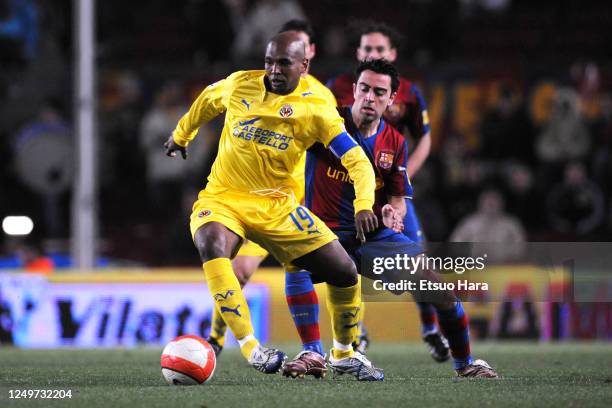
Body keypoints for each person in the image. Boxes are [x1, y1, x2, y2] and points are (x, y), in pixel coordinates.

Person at [164, 31, 384, 380]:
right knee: (211, 243)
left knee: (345, 272)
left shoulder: (317, 107)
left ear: (304, 65)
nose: (274, 70)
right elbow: (207, 99)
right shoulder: (241, 85)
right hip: (224, 198)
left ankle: (343, 353)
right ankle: (251, 347)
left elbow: (357, 160)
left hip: (280, 207)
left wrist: (363, 204)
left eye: (283, 63)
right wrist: (181, 135)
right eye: (269, 61)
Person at [282, 59, 498, 379]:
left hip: (374, 238)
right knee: (295, 259)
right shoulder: (326, 123)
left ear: (391, 99)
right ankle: (312, 353)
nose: (370, 97)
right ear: (354, 91)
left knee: (441, 292)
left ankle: (466, 363)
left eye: (379, 92)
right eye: (365, 89)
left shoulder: (395, 142)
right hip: (326, 235)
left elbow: (397, 199)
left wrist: (391, 212)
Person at [206, 18, 337, 356]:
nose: (278, 66)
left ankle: (331, 345)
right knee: (239, 270)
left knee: (320, 268)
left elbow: (329, 154)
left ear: (307, 56)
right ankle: (217, 338)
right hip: (243, 200)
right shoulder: (252, 87)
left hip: (286, 203)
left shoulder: (322, 99)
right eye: (274, 58)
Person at [327, 20, 447, 360]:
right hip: (344, 194)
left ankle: (431, 328)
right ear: (358, 53)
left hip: (391, 194)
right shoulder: (334, 87)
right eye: (367, 49)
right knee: (344, 262)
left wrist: (404, 181)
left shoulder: (408, 92)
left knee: (416, 259)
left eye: (380, 49)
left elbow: (424, 137)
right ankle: (356, 335)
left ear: (392, 54)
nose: (373, 53)